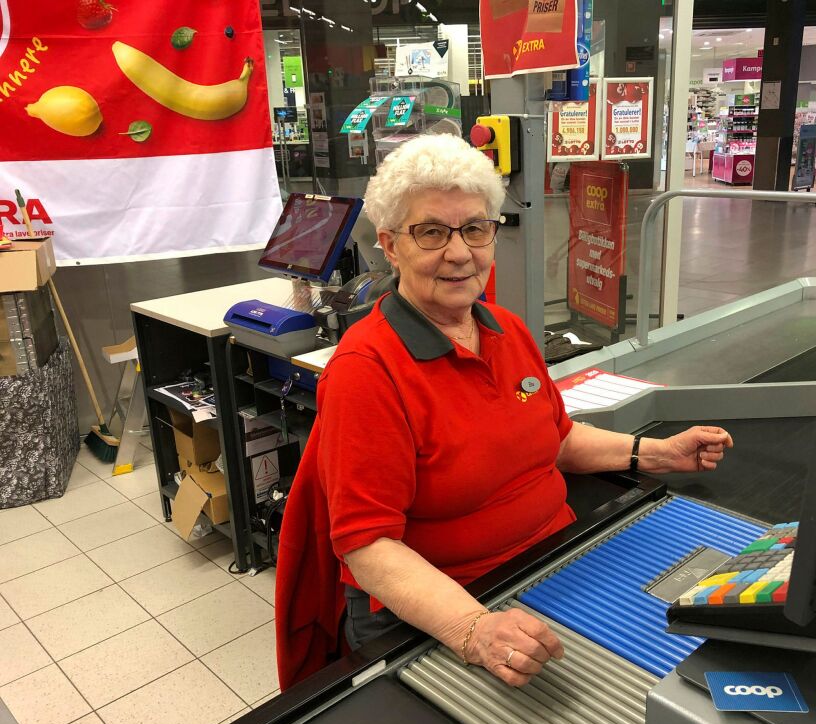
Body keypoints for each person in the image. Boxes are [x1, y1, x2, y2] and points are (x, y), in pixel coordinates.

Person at [275, 134, 734, 691]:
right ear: (391, 246)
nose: (460, 252)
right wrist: (474, 629)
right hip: (446, 608)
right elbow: (367, 547)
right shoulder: (367, 370)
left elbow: (558, 439)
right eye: (431, 231)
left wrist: (656, 453)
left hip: (558, 561)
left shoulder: (506, 329)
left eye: (474, 227)